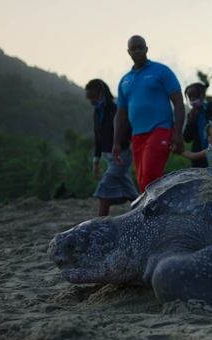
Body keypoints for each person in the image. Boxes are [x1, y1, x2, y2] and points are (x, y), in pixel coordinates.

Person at [112, 35, 185, 192]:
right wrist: (116, 142)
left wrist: (178, 133)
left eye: (140, 47)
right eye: (134, 48)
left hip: (161, 129)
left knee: (150, 175)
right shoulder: (125, 80)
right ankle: (155, 214)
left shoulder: (161, 71)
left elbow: (178, 102)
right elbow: (121, 114)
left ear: (146, 49)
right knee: (142, 181)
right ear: (128, 52)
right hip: (137, 135)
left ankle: (158, 213)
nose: (137, 51)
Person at [85, 79, 138, 216]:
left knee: (104, 187)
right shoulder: (97, 113)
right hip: (108, 156)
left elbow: (128, 130)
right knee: (130, 191)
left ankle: (100, 223)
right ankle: (143, 211)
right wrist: (96, 161)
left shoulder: (116, 110)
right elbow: (98, 137)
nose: (92, 101)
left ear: (102, 93)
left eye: (94, 97)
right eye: (89, 98)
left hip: (122, 155)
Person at [182, 82, 212, 168]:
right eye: (190, 97)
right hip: (199, 157)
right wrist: (191, 121)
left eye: (195, 96)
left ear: (202, 95)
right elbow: (187, 138)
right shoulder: (191, 115)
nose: (192, 99)